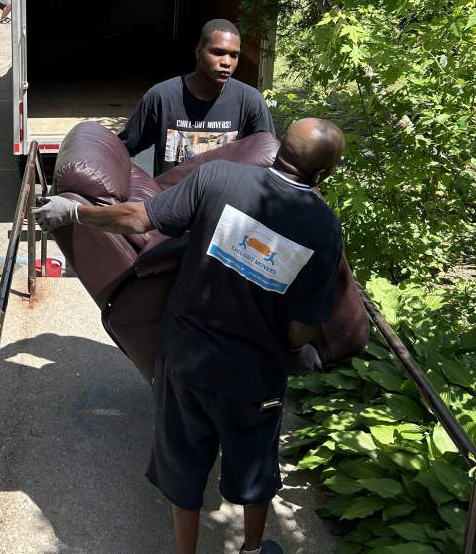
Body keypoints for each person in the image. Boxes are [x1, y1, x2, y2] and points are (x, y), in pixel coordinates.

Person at [33, 118, 346, 554]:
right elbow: (302, 325)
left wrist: (74, 213)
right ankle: (253, 550)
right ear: (324, 173)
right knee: (255, 464)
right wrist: (297, 349)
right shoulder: (324, 229)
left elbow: (137, 218)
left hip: (186, 356)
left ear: (279, 150)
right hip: (253, 374)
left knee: (183, 463)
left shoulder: (219, 177)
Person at [120, 19, 274, 176]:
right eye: (218, 52)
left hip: (223, 192)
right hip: (171, 192)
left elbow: (267, 162)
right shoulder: (162, 97)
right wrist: (138, 187)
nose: (227, 62)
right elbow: (121, 150)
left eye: (234, 55)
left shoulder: (249, 101)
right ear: (198, 51)